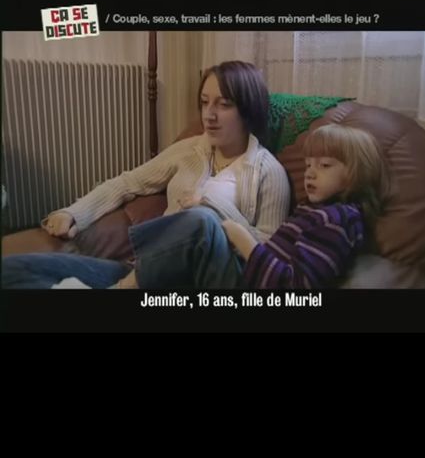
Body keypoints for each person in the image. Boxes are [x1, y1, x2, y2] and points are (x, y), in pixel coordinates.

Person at [2, 62, 290, 289]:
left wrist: (212, 206)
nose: (209, 115)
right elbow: (129, 182)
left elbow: (269, 254)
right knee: (15, 269)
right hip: (145, 269)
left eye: (224, 104)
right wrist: (74, 213)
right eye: (204, 102)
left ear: (248, 109)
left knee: (201, 218)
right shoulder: (190, 149)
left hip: (200, 280)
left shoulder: (268, 171)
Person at [221, 124, 390, 289]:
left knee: (207, 224)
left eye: (324, 165)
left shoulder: (335, 220)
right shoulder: (312, 210)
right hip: (245, 276)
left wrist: (244, 240)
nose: (309, 173)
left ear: (356, 174)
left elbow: (295, 285)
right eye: (308, 164)